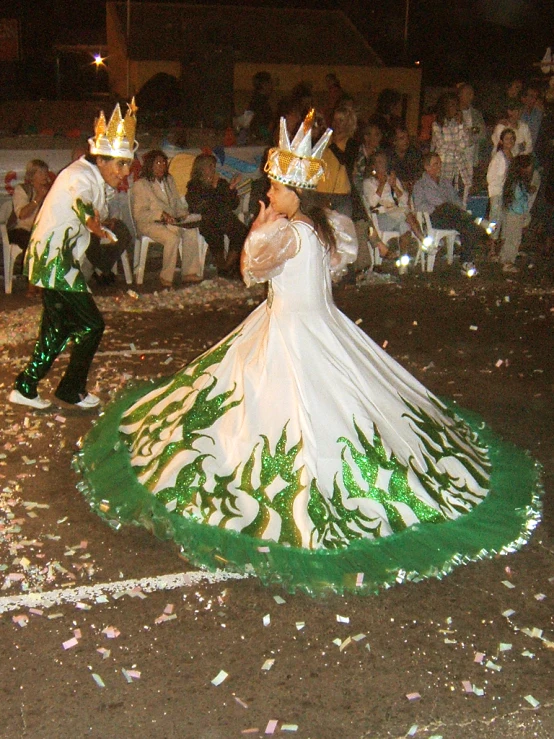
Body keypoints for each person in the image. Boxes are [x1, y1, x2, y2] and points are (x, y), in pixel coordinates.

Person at [76, 110, 540, 596]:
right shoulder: (318, 227)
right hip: (317, 324)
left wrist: (259, 227)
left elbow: (251, 268)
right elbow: (326, 265)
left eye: (274, 189)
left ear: (294, 193)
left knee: (286, 411)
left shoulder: (292, 232)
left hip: (294, 330)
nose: (268, 195)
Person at [9, 101, 138, 411]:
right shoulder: (80, 176)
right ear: (101, 159)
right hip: (55, 263)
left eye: (126, 165)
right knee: (92, 325)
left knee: (58, 329)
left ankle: (26, 387)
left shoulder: (93, 177)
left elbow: (93, 209)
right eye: (118, 165)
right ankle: (71, 389)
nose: (124, 172)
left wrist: (99, 225)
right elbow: (83, 207)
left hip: (55, 260)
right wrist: (96, 227)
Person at [132, 149, 202, 287]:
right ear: (150, 165)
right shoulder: (141, 184)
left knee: (191, 231)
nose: (161, 166)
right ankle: (166, 277)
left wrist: (183, 214)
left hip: (170, 222)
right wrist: (160, 215)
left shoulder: (169, 180)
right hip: (149, 223)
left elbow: (176, 203)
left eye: (163, 162)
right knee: (172, 238)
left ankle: (189, 272)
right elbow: (139, 214)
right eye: (157, 163)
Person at [412, 152, 490, 274]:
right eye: (435, 164)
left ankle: (466, 262)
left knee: (467, 225)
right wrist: (437, 207)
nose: (439, 167)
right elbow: (419, 206)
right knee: (447, 208)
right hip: (434, 217)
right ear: (427, 167)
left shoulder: (445, 182)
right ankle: (477, 220)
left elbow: (456, 200)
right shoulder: (420, 185)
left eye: (439, 164)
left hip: (453, 215)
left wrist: (452, 207)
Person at [186, 153, 248, 277]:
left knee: (241, 232)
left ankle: (227, 266)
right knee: (214, 235)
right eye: (210, 166)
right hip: (208, 219)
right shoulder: (194, 185)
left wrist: (231, 188)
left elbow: (233, 205)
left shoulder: (221, 183)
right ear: (201, 168)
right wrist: (212, 188)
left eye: (214, 166)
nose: (213, 169)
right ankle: (222, 266)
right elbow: (197, 207)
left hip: (225, 218)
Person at [362, 151, 423, 256]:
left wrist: (394, 186)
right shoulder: (368, 183)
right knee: (405, 212)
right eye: (379, 162)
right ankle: (423, 239)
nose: (383, 165)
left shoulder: (393, 179)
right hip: (381, 218)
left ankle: (403, 262)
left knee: (406, 230)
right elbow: (372, 203)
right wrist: (381, 184)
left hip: (397, 214)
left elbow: (404, 201)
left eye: (384, 162)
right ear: (374, 166)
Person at [500, 154, 540, 273]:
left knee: (509, 237)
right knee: (514, 239)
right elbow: (520, 198)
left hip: (512, 212)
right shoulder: (518, 183)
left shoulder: (513, 180)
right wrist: (529, 192)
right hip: (516, 213)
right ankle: (508, 262)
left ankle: (504, 257)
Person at [316, 104, 358, 217]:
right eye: (335, 120)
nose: (337, 124)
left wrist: (332, 144)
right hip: (321, 191)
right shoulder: (324, 138)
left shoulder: (351, 142)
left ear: (348, 123)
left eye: (341, 120)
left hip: (341, 193)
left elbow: (345, 160)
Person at [431, 90, 472, 199]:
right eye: (452, 105)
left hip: (458, 164)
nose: (455, 108)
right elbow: (442, 145)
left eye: (456, 105)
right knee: (443, 192)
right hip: (444, 165)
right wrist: (457, 148)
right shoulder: (437, 125)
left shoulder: (458, 124)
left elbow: (466, 143)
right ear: (445, 107)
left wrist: (460, 125)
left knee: (461, 193)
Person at [8, 159, 51, 253]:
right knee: (33, 243)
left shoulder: (51, 190)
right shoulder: (22, 189)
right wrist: (38, 198)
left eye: (45, 172)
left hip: (43, 230)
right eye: (40, 173)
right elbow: (22, 215)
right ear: (32, 175)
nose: (44, 175)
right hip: (22, 229)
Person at [486, 127, 516, 250]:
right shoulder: (498, 157)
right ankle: (492, 248)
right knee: (495, 220)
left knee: (505, 220)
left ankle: (502, 248)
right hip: (497, 192)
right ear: (502, 141)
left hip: (507, 192)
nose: (510, 141)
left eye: (512, 139)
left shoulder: (512, 155)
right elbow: (490, 176)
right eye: (507, 139)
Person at [457, 83, 487, 169]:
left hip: (470, 155)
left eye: (472, 94)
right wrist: (472, 131)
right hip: (454, 157)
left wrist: (468, 133)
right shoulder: (453, 112)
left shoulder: (476, 114)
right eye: (468, 93)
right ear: (459, 94)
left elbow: (482, 132)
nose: (470, 97)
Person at [387, 124, 423, 195]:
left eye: (407, 137)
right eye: (402, 138)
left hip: (414, 189)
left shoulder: (415, 153)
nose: (406, 141)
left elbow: (420, 173)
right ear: (394, 141)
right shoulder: (388, 155)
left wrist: (412, 184)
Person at [248, 71, 274, 143]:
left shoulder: (254, 100)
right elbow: (262, 122)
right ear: (264, 85)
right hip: (261, 138)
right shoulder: (261, 103)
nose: (272, 87)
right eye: (270, 83)